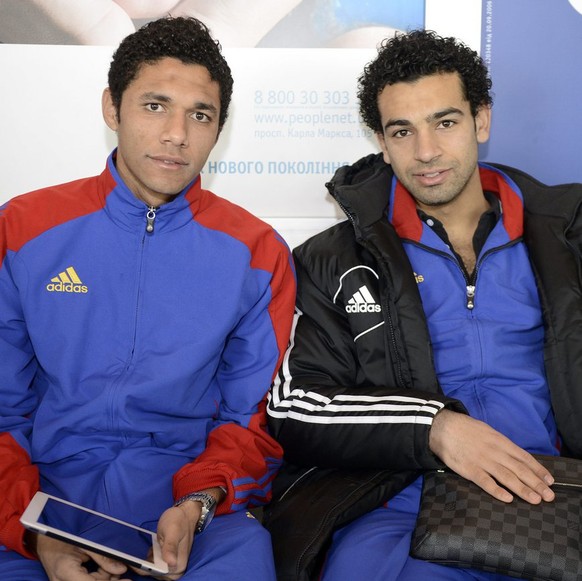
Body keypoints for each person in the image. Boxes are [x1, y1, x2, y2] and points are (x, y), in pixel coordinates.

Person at [265, 29, 582, 580]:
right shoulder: (333, 260)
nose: (427, 151)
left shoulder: (568, 236)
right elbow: (295, 406)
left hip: (556, 493)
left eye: (446, 122)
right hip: (400, 499)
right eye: (402, 131)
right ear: (381, 142)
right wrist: (433, 427)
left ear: (481, 120)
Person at [0, 16, 295, 581]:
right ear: (112, 108)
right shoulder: (23, 229)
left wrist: (199, 504)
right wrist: (36, 534)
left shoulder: (258, 254)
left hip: (187, 511)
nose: (177, 134)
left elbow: (248, 421)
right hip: (36, 499)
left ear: (219, 128)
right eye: (155, 105)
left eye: (200, 115)